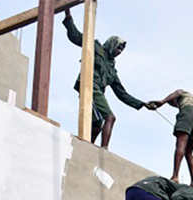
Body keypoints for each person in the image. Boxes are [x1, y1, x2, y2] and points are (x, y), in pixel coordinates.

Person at [63, 9, 147, 148]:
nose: (119, 52)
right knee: (110, 117)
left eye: (121, 50)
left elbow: (122, 94)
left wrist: (141, 104)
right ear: (112, 44)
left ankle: (87, 147)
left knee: (97, 125)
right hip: (89, 86)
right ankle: (104, 150)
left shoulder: (112, 71)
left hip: (97, 92)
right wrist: (67, 14)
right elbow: (76, 36)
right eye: (118, 48)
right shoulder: (95, 47)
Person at [147, 90, 193, 187]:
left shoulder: (183, 96)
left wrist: (162, 102)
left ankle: (175, 176)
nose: (174, 106)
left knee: (181, 144)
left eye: (173, 103)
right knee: (189, 152)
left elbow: (178, 92)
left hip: (189, 113)